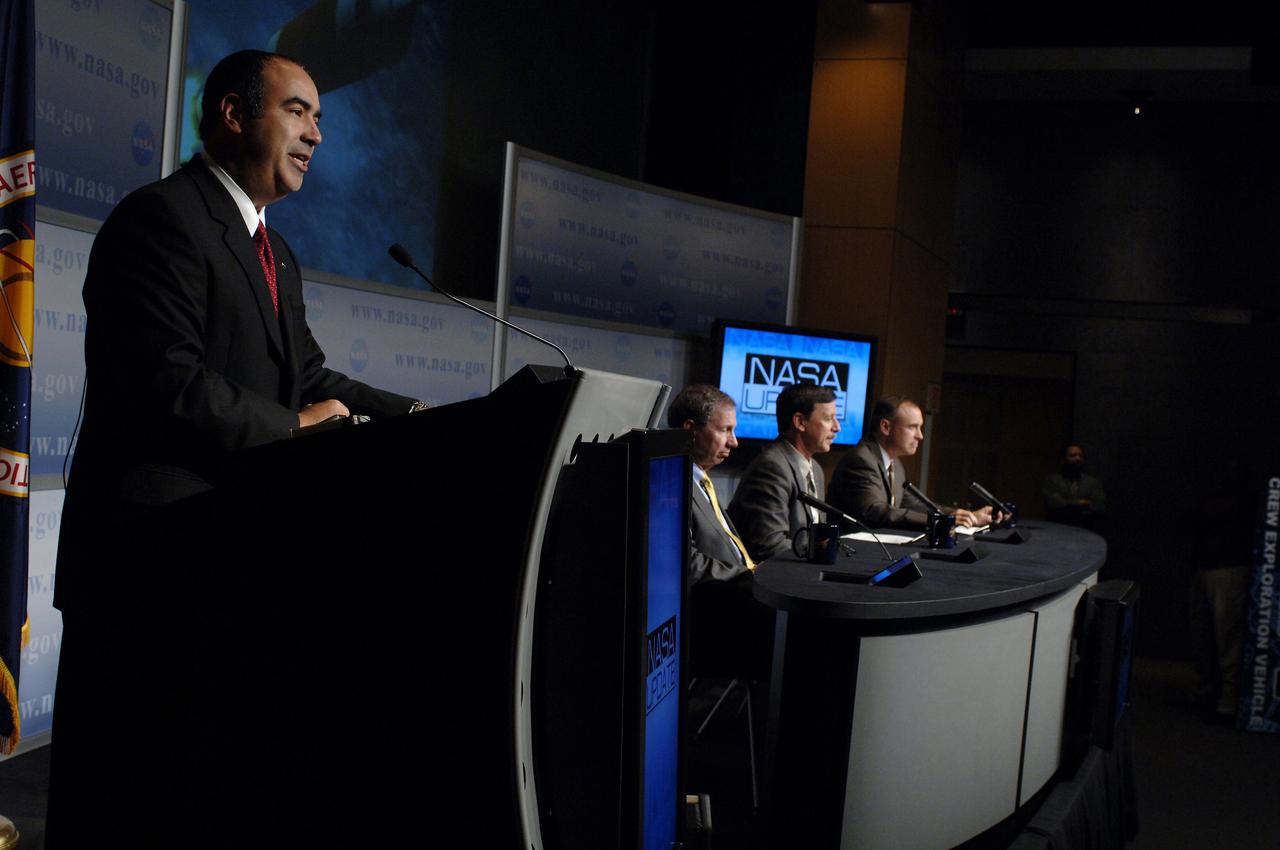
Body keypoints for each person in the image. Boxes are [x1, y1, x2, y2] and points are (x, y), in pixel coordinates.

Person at [47, 51, 419, 847]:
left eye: (319, 118)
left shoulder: (274, 252)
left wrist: (416, 415)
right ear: (232, 113)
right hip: (145, 562)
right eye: (298, 111)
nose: (316, 134)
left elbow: (309, 375)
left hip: (228, 560)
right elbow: (169, 382)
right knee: (124, 799)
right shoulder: (161, 219)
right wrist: (297, 429)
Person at [827, 396, 992, 530]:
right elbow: (875, 511)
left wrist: (957, 515)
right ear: (885, 427)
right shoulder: (861, 460)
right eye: (913, 427)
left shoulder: (895, 463)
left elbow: (912, 505)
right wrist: (939, 520)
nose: (920, 436)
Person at [728, 382, 840, 562]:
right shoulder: (771, 467)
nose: (836, 427)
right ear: (800, 422)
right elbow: (770, 545)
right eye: (828, 419)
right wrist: (822, 552)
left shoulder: (816, 469)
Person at [668, 384, 754, 586]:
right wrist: (749, 577)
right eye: (725, 430)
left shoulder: (700, 480)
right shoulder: (670, 485)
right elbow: (686, 563)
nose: (734, 442)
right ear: (690, 430)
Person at [1041, 444, 1107, 530]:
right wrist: (1081, 504)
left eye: (1080, 456)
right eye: (1073, 456)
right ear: (1063, 460)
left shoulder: (1092, 482)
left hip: (1086, 530)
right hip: (1058, 529)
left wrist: (1067, 506)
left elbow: (1100, 507)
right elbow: (1053, 505)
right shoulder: (1052, 481)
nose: (1078, 458)